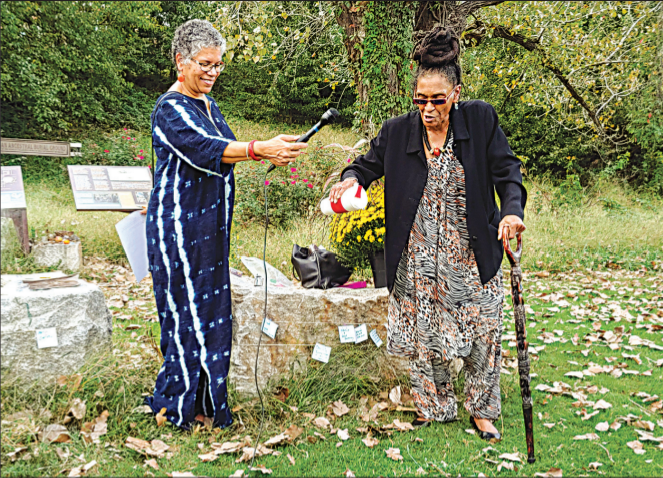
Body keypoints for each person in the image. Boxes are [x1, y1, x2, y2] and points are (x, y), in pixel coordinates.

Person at [329, 27, 527, 442]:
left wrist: (511, 214)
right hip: (417, 257)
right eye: (421, 100)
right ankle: (433, 405)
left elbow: (508, 173)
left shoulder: (481, 120)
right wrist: (349, 180)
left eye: (438, 99)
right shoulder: (399, 130)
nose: (429, 108)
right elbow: (365, 166)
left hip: (471, 254)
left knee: (482, 333)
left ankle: (482, 409)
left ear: (456, 93)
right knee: (425, 334)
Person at [144, 19, 307, 430]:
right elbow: (204, 150)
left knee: (211, 312)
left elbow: (226, 152)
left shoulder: (208, 106)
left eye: (218, 65)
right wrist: (258, 148)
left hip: (211, 233)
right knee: (185, 316)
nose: (212, 72)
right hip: (179, 232)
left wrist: (272, 150)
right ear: (180, 61)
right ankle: (177, 407)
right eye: (204, 64)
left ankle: (207, 405)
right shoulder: (169, 109)